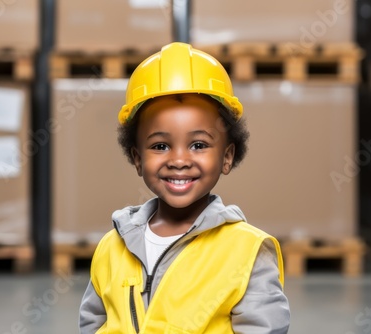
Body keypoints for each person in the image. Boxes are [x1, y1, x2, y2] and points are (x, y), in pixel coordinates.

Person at [79, 42, 290, 333]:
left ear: (227, 157)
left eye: (199, 145)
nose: (179, 160)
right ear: (137, 159)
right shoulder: (112, 247)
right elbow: (93, 323)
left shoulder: (247, 251)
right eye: (160, 145)